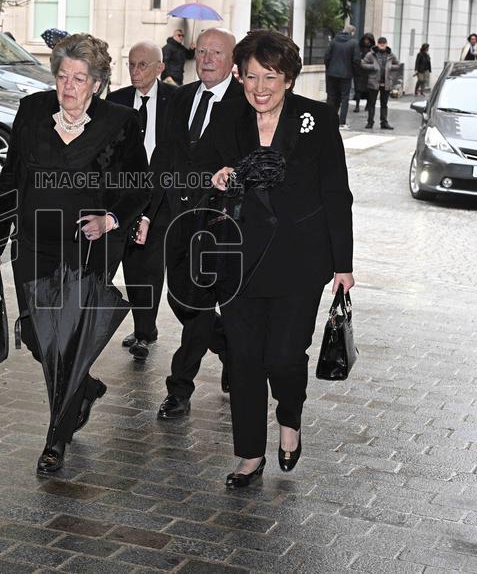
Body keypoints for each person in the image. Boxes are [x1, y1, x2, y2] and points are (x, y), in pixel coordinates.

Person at [0, 33, 148, 475]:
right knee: (39, 338)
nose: (68, 86)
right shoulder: (32, 110)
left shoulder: (121, 121)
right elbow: (11, 178)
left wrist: (111, 221)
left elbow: (139, 184)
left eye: (78, 78)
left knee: (68, 341)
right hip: (33, 241)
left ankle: (56, 438)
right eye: (61, 76)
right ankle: (85, 389)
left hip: (87, 246)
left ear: (95, 83)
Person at [194, 29, 354, 488]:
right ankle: (248, 454)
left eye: (270, 77)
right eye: (250, 77)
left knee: (284, 356)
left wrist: (343, 264)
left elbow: (335, 194)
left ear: (288, 79)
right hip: (239, 261)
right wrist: (218, 175)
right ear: (239, 77)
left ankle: (289, 418)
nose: (259, 87)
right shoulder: (228, 117)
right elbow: (197, 167)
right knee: (244, 359)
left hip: (299, 263)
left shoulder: (317, 119)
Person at [151, 27, 242, 420]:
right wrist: (146, 212)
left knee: (199, 304)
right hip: (175, 218)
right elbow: (164, 158)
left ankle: (179, 388)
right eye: (201, 51)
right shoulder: (180, 97)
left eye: (216, 53)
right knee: (178, 298)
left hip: (217, 224)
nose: (206, 59)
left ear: (232, 60)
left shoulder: (244, 104)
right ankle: (229, 350)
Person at [107, 40, 177, 360]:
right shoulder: (118, 100)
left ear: (159, 67)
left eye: (142, 65)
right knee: (129, 264)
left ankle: (145, 332)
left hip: (161, 197)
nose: (135, 72)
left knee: (149, 266)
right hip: (125, 197)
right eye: (131, 65)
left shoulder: (176, 102)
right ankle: (140, 327)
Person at [360, 37, 400, 130]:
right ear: (378, 44)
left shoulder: (391, 54)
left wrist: (390, 67)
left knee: (384, 104)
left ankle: (384, 122)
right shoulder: (371, 54)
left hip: (386, 81)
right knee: (371, 103)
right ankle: (370, 122)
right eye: (380, 43)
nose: (382, 45)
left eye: (384, 43)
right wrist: (373, 66)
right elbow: (363, 64)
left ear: (386, 44)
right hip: (374, 81)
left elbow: (397, 65)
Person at [324, 24, 359, 129]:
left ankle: (328, 120)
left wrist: (329, 68)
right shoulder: (353, 43)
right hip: (346, 74)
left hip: (331, 74)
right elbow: (356, 60)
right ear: (352, 32)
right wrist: (355, 72)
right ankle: (341, 122)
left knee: (331, 97)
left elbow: (326, 57)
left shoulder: (334, 41)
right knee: (344, 98)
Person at [352, 33, 374, 113]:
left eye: (368, 40)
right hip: (359, 72)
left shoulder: (373, 49)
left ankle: (367, 105)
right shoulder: (358, 48)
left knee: (368, 90)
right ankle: (357, 106)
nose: (366, 41)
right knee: (358, 90)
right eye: (365, 39)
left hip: (368, 73)